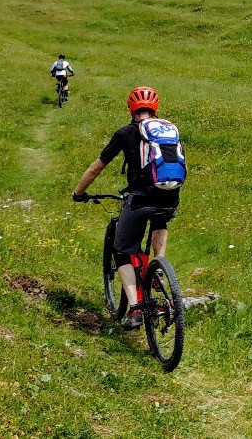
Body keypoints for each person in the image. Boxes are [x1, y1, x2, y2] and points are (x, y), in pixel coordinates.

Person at [72, 87, 180, 329]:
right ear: (155, 108)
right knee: (160, 220)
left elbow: (95, 168)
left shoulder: (125, 133)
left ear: (131, 108)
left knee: (121, 250)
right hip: (170, 196)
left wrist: (78, 193)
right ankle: (159, 267)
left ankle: (134, 308)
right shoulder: (169, 130)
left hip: (140, 198)